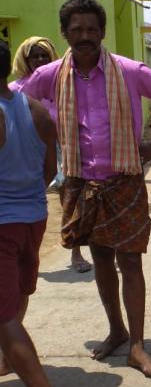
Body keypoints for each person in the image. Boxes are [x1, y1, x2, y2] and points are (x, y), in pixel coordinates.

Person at [20, 0, 151, 379]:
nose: (85, 36)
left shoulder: (129, 71)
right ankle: (116, 329)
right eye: (76, 30)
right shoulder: (49, 75)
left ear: (102, 32)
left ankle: (137, 347)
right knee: (100, 259)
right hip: (81, 182)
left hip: (124, 180)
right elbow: (14, 96)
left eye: (91, 29)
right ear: (65, 34)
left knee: (130, 261)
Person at [9, 36, 92, 274]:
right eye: (34, 55)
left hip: (61, 148)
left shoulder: (63, 85)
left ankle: (75, 251)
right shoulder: (17, 89)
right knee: (30, 203)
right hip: (27, 151)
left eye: (44, 55)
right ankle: (28, 256)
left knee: (71, 199)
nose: (40, 60)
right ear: (25, 59)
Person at [0, 39, 55, 386]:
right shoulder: (36, 108)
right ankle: (7, 359)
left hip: (2, 224)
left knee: (3, 317)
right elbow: (49, 171)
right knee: (16, 296)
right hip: (34, 217)